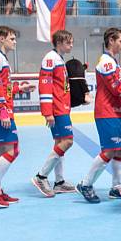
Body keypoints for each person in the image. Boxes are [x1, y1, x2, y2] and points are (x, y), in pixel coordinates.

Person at [0, 26, 35, 208]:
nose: (15, 41)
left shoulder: (0, 59)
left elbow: (3, 87)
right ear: (2, 39)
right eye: (12, 38)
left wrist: (20, 88)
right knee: (13, 150)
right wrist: (3, 110)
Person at [76, 28, 121, 203]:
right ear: (111, 41)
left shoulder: (113, 62)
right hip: (107, 112)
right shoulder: (106, 62)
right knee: (110, 150)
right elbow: (118, 89)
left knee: (120, 149)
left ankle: (116, 187)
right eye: (120, 41)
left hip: (117, 112)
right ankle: (86, 183)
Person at [31, 30, 76, 197]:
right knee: (68, 141)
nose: (71, 45)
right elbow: (45, 86)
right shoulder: (50, 58)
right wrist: (47, 112)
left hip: (61, 107)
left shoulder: (58, 59)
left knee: (60, 142)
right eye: (68, 42)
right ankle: (41, 176)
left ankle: (59, 181)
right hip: (57, 109)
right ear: (59, 43)